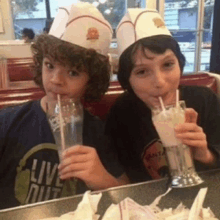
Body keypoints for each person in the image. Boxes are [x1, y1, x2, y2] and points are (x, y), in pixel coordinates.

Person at [0, 2, 128, 210]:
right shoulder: (8, 121)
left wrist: (103, 179)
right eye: (50, 66)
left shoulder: (97, 133)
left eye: (73, 72)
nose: (56, 80)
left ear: (91, 80)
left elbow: (128, 195)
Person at [105, 9, 220, 183]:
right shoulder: (122, 113)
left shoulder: (204, 100)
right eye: (142, 71)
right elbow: (125, 180)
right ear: (128, 81)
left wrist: (206, 154)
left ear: (179, 65)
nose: (159, 82)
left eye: (167, 64)